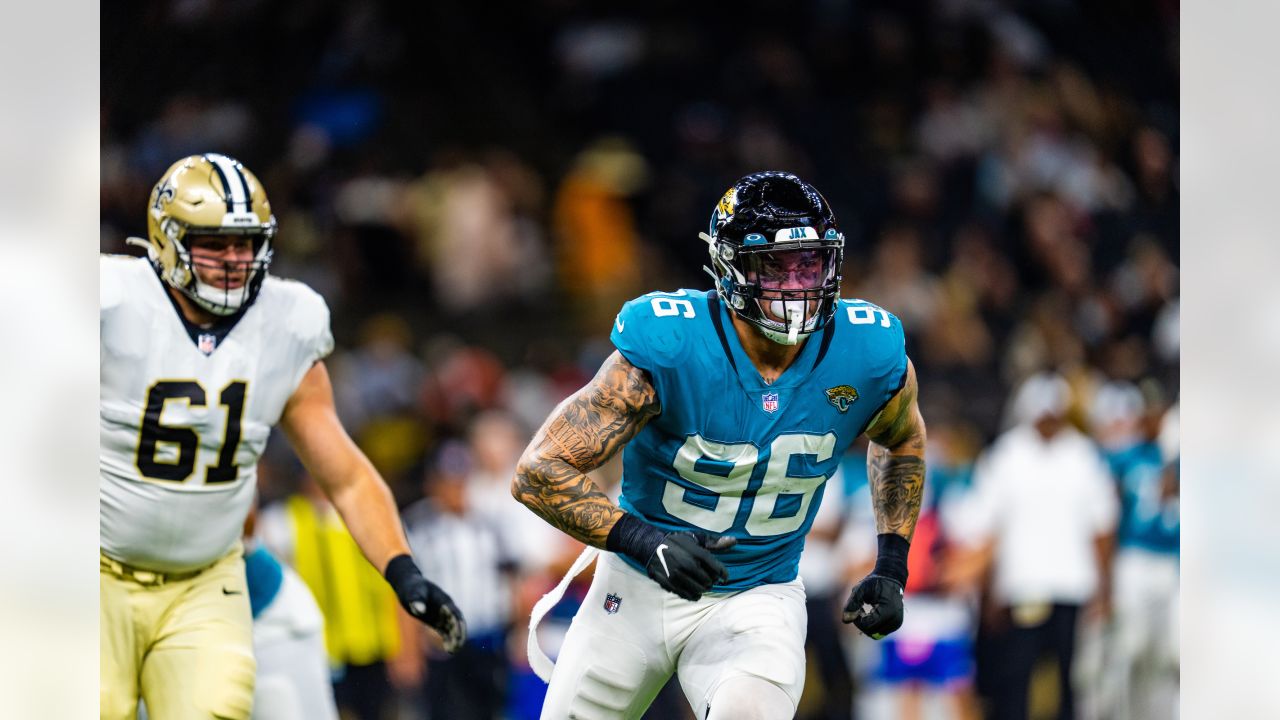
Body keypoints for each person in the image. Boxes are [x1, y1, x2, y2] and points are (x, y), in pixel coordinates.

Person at [514, 171, 928, 720]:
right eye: (775, 267)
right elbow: (539, 470)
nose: (797, 285)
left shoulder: (869, 351)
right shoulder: (674, 343)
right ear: (731, 266)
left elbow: (902, 440)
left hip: (758, 595)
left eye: (810, 263)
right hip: (637, 586)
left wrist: (892, 564)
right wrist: (645, 542)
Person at [100, 153, 466, 720]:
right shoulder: (112, 301)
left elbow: (344, 475)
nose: (233, 259)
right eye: (214, 244)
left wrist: (403, 570)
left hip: (207, 581)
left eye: (245, 244)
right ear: (168, 240)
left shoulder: (286, 322)